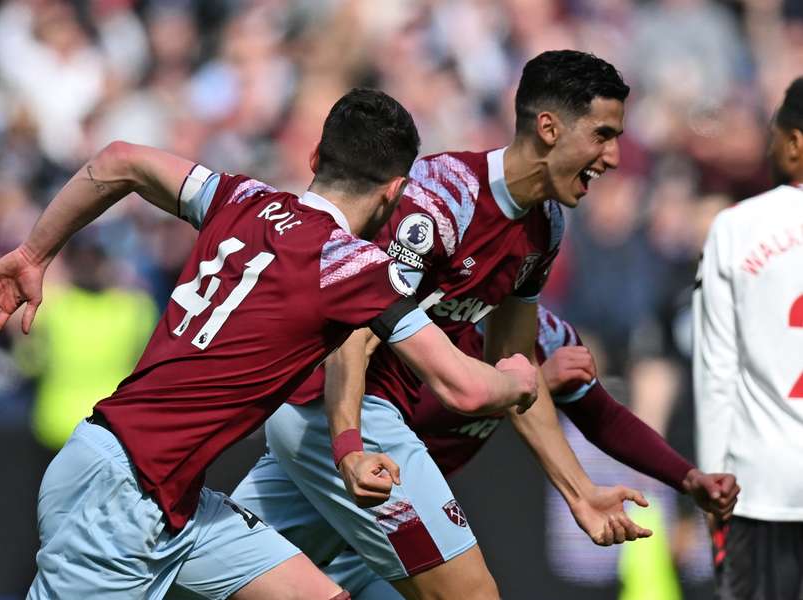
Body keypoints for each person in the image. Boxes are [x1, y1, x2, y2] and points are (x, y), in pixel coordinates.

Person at [0, 89, 539, 600]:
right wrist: (519, 377)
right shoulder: (353, 266)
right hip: (121, 499)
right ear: (395, 191)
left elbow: (119, 160)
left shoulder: (240, 198)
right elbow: (463, 385)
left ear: (314, 158)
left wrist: (34, 255)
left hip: (167, 495)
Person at [231, 50, 668, 600]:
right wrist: (348, 443)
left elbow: (515, 366)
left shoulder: (545, 227)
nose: (614, 156)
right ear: (550, 128)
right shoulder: (446, 198)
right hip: (349, 416)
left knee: (222, 584)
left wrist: (579, 491)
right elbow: (355, 329)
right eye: (603, 135)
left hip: (330, 425)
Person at [312, 305, 740, 598]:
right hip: (351, 483)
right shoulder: (447, 329)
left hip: (393, 511)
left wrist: (687, 477)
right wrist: (523, 390)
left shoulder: (549, 335)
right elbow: (408, 414)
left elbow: (607, 420)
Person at [694, 76, 803, 600]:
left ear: (795, 143)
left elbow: (717, 371)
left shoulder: (737, 227)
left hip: (762, 486)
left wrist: (714, 486)